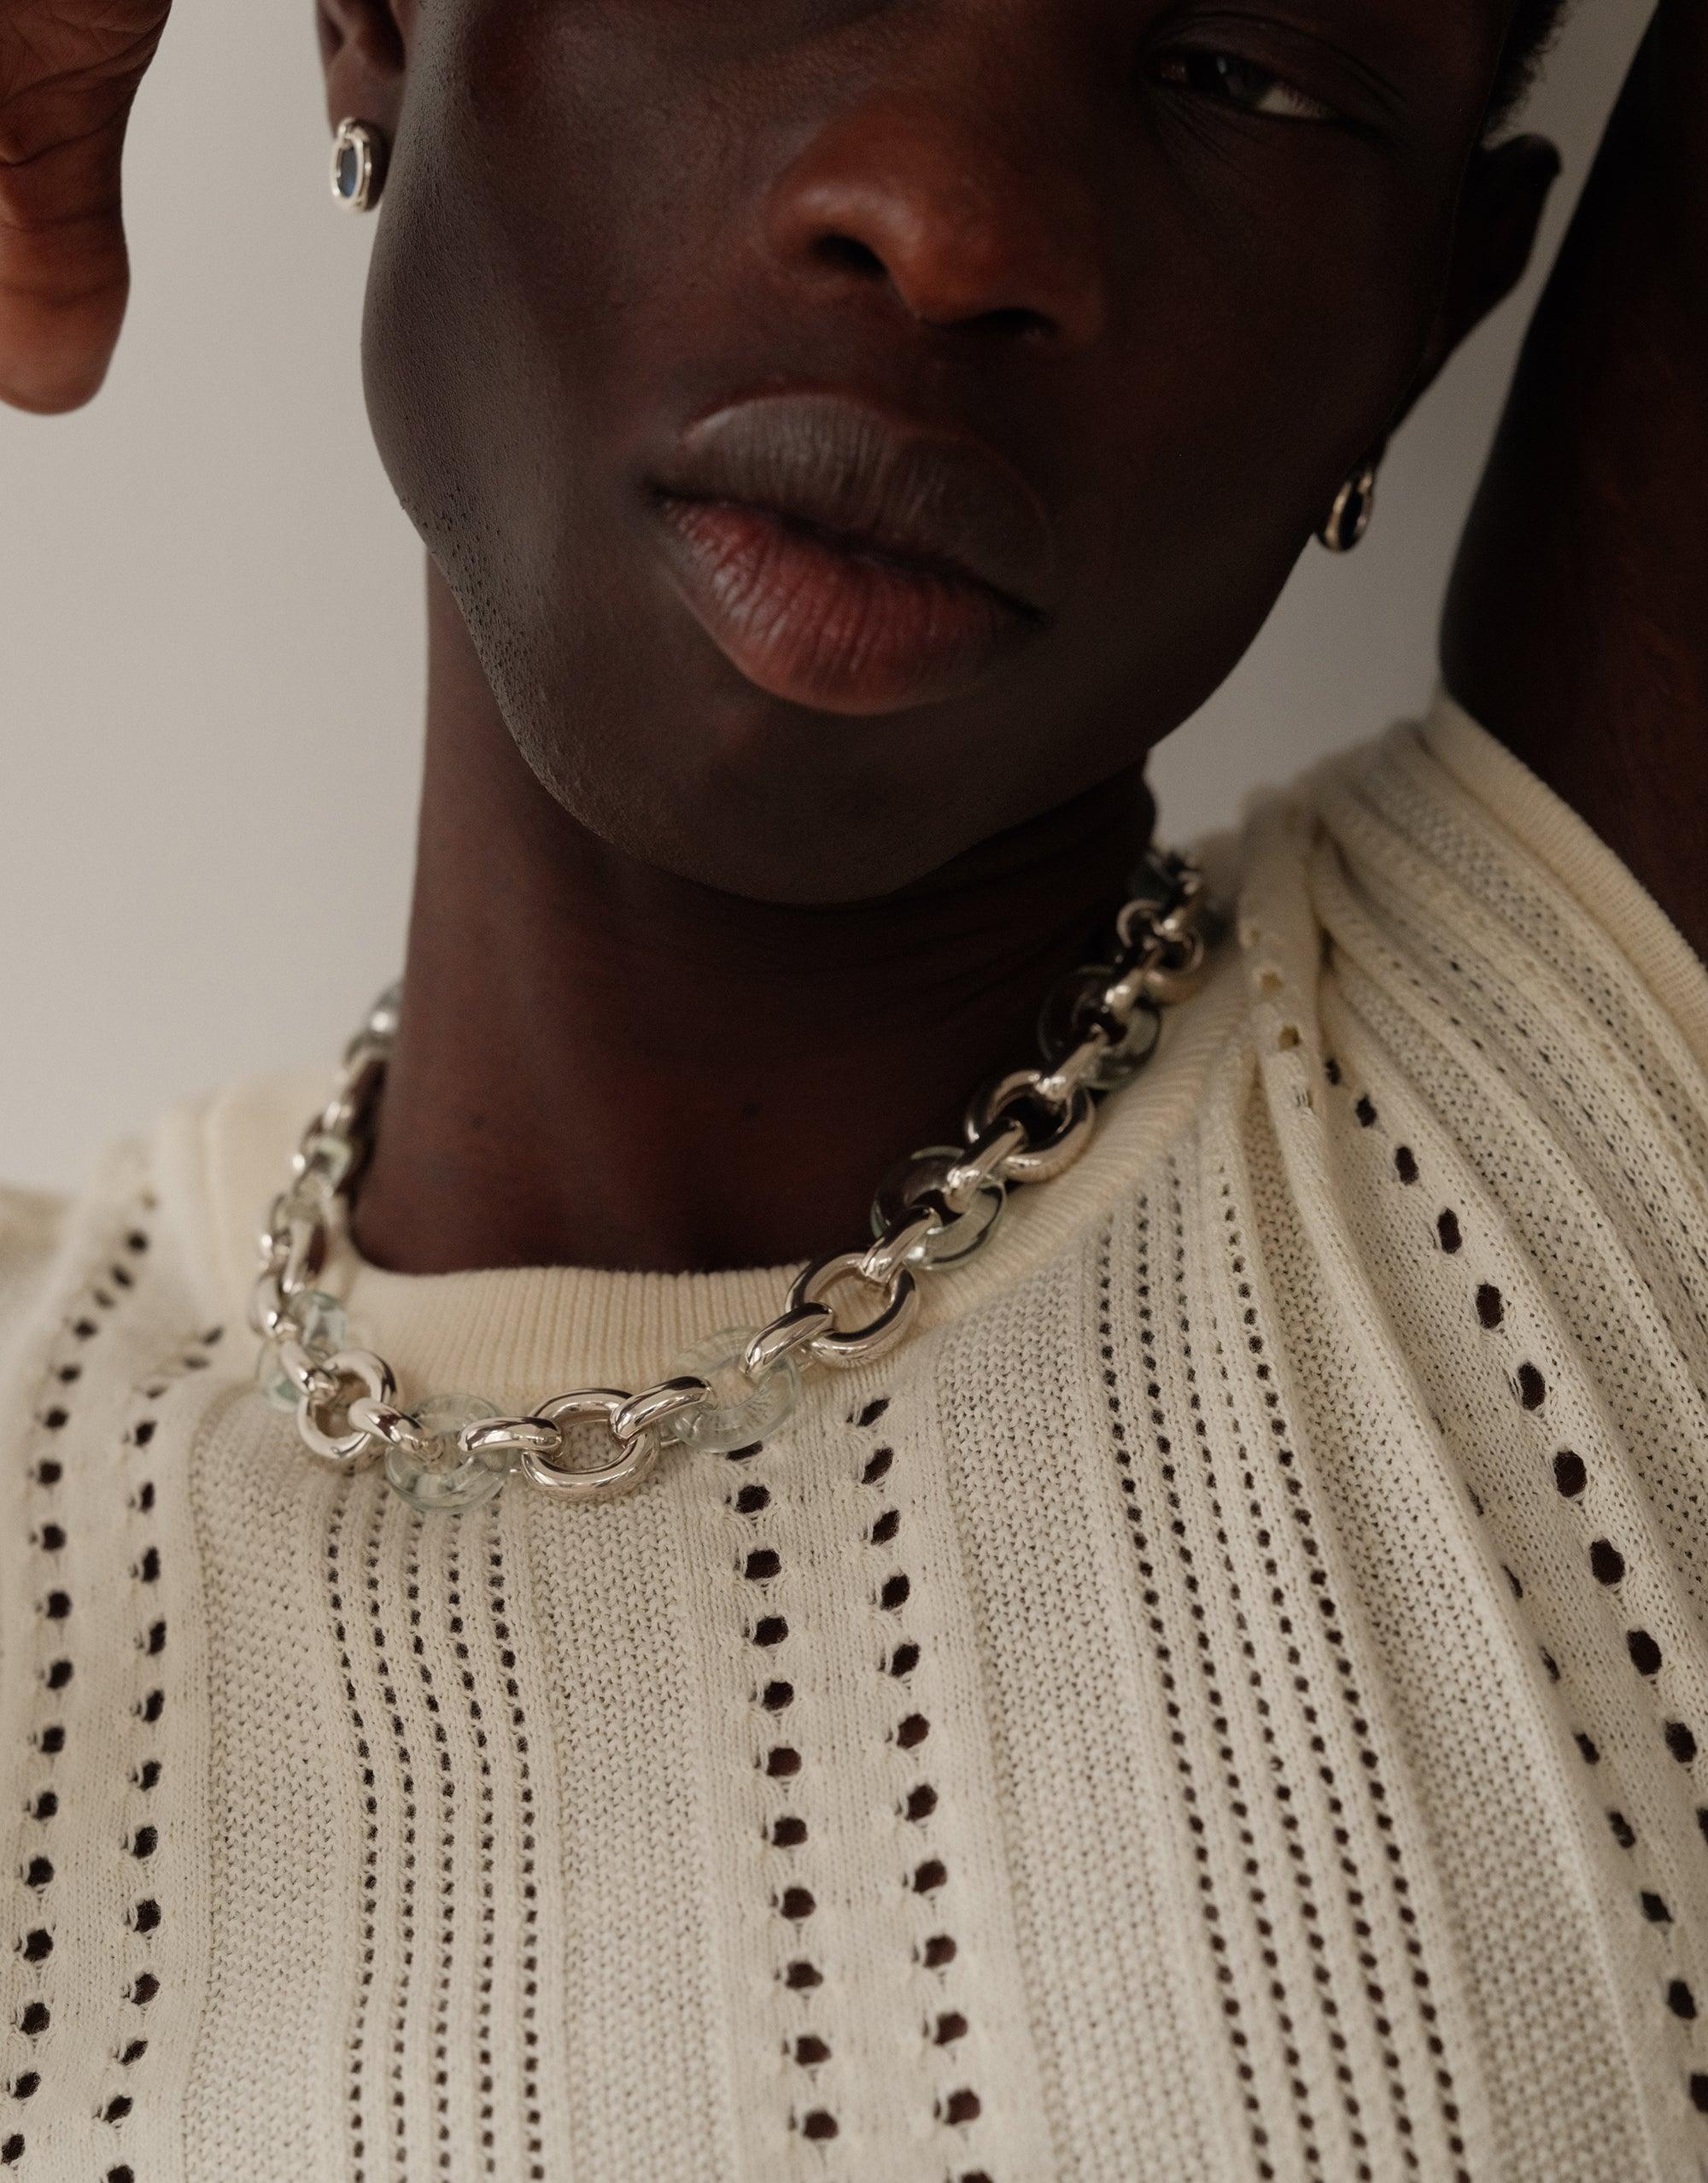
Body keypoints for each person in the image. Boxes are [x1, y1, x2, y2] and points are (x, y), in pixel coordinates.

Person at [0, 0, 1703, 2175]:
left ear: (1424, 315)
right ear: (376, 24)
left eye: (1242, 70)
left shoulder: (1592, 1119)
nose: (946, 219)